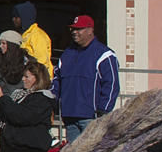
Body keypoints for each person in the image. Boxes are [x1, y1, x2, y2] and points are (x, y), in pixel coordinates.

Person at [52, 14, 121, 143]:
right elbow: (57, 79)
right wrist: (54, 102)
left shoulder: (104, 54)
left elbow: (112, 84)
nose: (74, 32)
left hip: (91, 118)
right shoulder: (67, 54)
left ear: (90, 30)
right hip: (69, 116)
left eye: (79, 29)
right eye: (73, 29)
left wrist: (103, 111)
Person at [12, 2, 53, 72]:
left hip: (39, 79)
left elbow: (42, 62)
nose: (13, 19)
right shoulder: (24, 35)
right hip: (27, 78)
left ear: (24, 18)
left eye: (16, 17)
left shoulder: (38, 36)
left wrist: (34, 79)